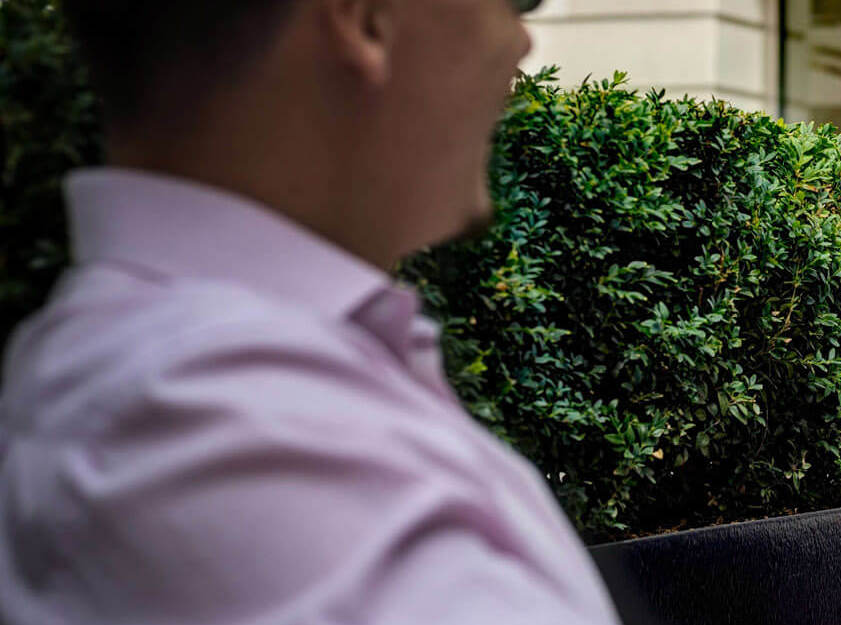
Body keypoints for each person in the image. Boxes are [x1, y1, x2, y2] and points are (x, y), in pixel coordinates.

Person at [0, 1, 622, 623]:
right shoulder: (207, 421)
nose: (521, 43)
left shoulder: (200, 384)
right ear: (366, 17)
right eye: (515, 1)